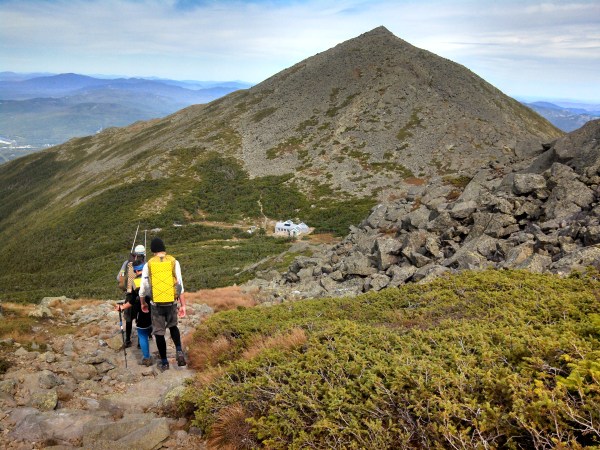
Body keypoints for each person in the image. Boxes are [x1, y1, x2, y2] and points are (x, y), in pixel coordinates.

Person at [139, 237, 187, 371]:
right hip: (171, 302)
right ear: (164, 249)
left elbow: (143, 287)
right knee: (173, 327)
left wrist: (143, 303)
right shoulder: (173, 261)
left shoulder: (148, 264)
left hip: (156, 305)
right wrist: (183, 305)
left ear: (152, 250)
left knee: (159, 333)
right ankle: (179, 351)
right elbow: (179, 285)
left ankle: (165, 362)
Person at [116, 244, 146, 347]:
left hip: (129, 294)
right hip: (142, 296)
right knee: (140, 318)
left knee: (129, 318)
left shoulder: (127, 263)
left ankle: (128, 340)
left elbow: (118, 278)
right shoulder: (146, 264)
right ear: (144, 254)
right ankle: (140, 343)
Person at [115, 295, 153, 366]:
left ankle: (128, 340)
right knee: (146, 328)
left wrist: (123, 307)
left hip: (135, 302)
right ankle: (140, 345)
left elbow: (132, 293)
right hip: (149, 303)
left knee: (139, 329)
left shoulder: (134, 285)